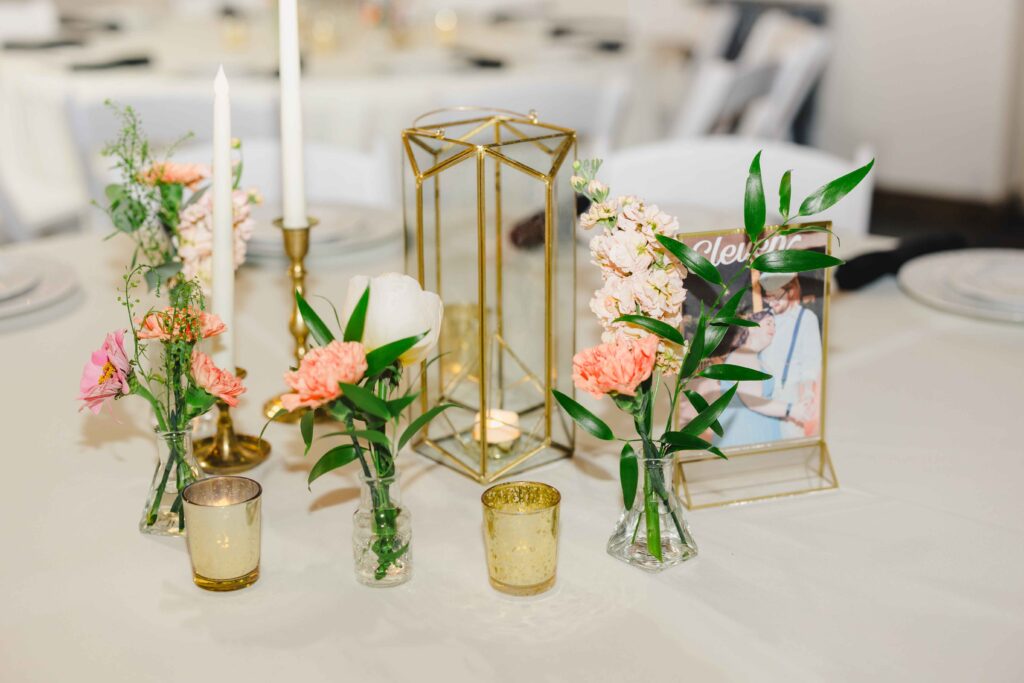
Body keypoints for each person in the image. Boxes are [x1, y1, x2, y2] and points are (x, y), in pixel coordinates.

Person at [757, 272, 821, 439]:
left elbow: (811, 362)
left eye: (777, 297)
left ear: (791, 291)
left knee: (788, 439)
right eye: (768, 297)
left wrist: (807, 393)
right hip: (763, 392)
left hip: (788, 393)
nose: (772, 303)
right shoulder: (765, 317)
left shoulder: (806, 319)